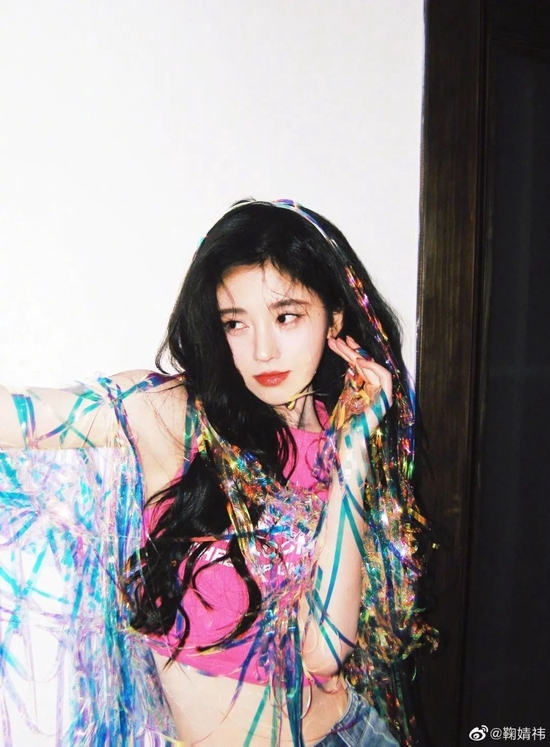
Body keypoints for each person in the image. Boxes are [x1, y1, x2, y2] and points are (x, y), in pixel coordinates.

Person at [0, 199, 435, 747]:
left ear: (335, 317)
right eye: (235, 323)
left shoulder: (343, 437)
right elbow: (20, 417)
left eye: (286, 316)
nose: (262, 350)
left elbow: (324, 653)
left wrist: (351, 459)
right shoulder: (171, 416)